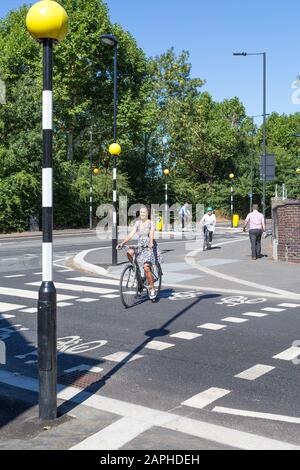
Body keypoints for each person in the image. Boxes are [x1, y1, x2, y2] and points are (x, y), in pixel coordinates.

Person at [117, 206, 162, 300]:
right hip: (140, 247)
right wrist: (122, 243)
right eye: (141, 212)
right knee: (129, 252)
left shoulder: (151, 223)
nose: (142, 214)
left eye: (144, 212)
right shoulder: (137, 223)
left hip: (149, 248)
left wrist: (150, 242)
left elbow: (152, 234)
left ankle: (152, 289)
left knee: (146, 268)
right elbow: (131, 234)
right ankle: (136, 272)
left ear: (147, 213)